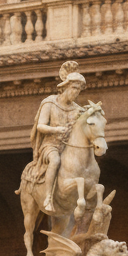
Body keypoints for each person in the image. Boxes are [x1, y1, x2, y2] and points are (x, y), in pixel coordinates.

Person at [29, 60, 88, 212]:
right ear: (65, 87)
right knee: (55, 160)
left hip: (69, 147)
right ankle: (48, 197)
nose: (76, 93)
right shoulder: (49, 103)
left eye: (79, 90)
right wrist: (57, 130)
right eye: (74, 88)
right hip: (50, 146)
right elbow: (41, 126)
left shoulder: (77, 109)